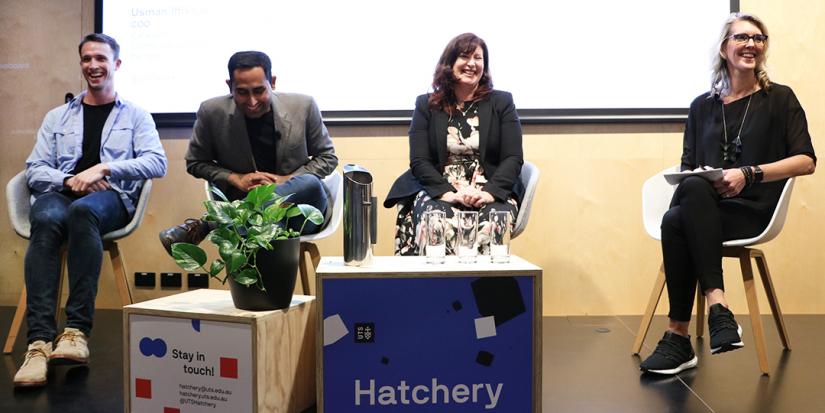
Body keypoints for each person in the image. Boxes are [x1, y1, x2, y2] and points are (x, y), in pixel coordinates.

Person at [640, 13, 816, 375]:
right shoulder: (701, 106)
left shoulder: (779, 99)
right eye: (742, 37)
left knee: (677, 220)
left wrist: (749, 174)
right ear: (724, 48)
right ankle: (718, 309)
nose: (751, 44)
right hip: (705, 208)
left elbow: (806, 160)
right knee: (687, 196)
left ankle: (678, 336)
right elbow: (688, 165)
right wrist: (703, 178)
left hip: (753, 209)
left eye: (759, 38)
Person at [14, 33, 168, 387]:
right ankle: (38, 344)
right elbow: (35, 169)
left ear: (116, 64)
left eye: (100, 58)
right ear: (81, 64)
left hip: (110, 198)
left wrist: (105, 169)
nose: (93, 65)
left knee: (83, 212)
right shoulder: (57, 117)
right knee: (46, 217)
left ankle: (75, 333)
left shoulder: (137, 115)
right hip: (62, 193)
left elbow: (157, 162)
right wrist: (71, 179)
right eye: (86, 59)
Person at [159, 51, 338, 252]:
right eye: (242, 92)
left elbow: (328, 158)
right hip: (250, 222)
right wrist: (235, 178)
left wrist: (285, 180)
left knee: (310, 183)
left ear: (273, 82)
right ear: (229, 86)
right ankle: (238, 217)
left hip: (301, 212)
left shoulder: (303, 106)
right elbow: (195, 163)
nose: (252, 102)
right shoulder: (211, 111)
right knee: (259, 224)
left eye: (259, 91)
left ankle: (209, 224)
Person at [384, 33, 524, 256]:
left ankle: (481, 289)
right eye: (464, 56)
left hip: (490, 187)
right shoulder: (426, 104)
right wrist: (448, 193)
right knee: (438, 222)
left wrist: (489, 193)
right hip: (440, 187)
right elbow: (419, 160)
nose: (471, 64)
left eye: (478, 58)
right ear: (449, 63)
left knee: (491, 223)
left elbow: (513, 157)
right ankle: (440, 288)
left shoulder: (502, 102)